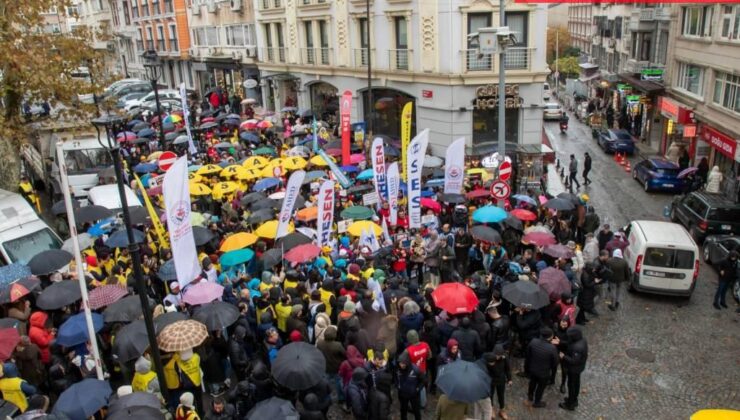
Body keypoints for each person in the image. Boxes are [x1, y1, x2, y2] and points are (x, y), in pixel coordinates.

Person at [524, 328, 559, 408]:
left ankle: (530, 395)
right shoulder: (552, 348)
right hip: (544, 372)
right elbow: (555, 362)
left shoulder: (533, 341)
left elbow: (528, 354)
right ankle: (537, 402)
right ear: (550, 337)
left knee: (532, 382)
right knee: (540, 387)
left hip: (533, 369)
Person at [559, 327, 588, 411]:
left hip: (574, 369)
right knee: (576, 383)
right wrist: (561, 342)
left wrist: (564, 356)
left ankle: (570, 404)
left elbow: (573, 361)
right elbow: (569, 343)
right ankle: (574, 399)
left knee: (572, 386)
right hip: (578, 368)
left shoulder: (578, 348)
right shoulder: (582, 340)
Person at [481, 346, 512, 420]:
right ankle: (491, 409)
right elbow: (484, 368)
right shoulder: (489, 357)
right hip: (491, 379)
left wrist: (509, 379)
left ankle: (502, 410)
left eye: (499, 355)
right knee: (490, 395)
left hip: (501, 380)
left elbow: (508, 369)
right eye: (496, 355)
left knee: (501, 395)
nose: (497, 357)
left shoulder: (505, 358)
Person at [396, 352, 425, 420]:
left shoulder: (416, 370)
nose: (401, 365)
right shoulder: (397, 369)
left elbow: (423, 381)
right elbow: (395, 378)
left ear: (407, 362)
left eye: (403, 363)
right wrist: (398, 385)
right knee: (403, 411)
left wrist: (417, 389)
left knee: (416, 411)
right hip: (402, 395)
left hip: (414, 395)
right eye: (400, 363)